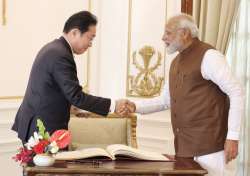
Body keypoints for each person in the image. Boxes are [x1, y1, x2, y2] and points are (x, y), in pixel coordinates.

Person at [126, 14, 245, 176]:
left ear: (184, 33)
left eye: (168, 33)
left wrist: (233, 137)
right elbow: (166, 100)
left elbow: (236, 92)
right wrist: (135, 106)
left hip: (211, 149)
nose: (163, 37)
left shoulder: (210, 56)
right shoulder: (175, 62)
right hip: (183, 148)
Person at [11, 11, 134, 144]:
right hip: (42, 129)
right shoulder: (60, 54)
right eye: (90, 38)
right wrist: (114, 105)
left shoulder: (55, 48)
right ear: (75, 32)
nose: (91, 44)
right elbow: (76, 96)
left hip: (37, 125)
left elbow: (55, 91)